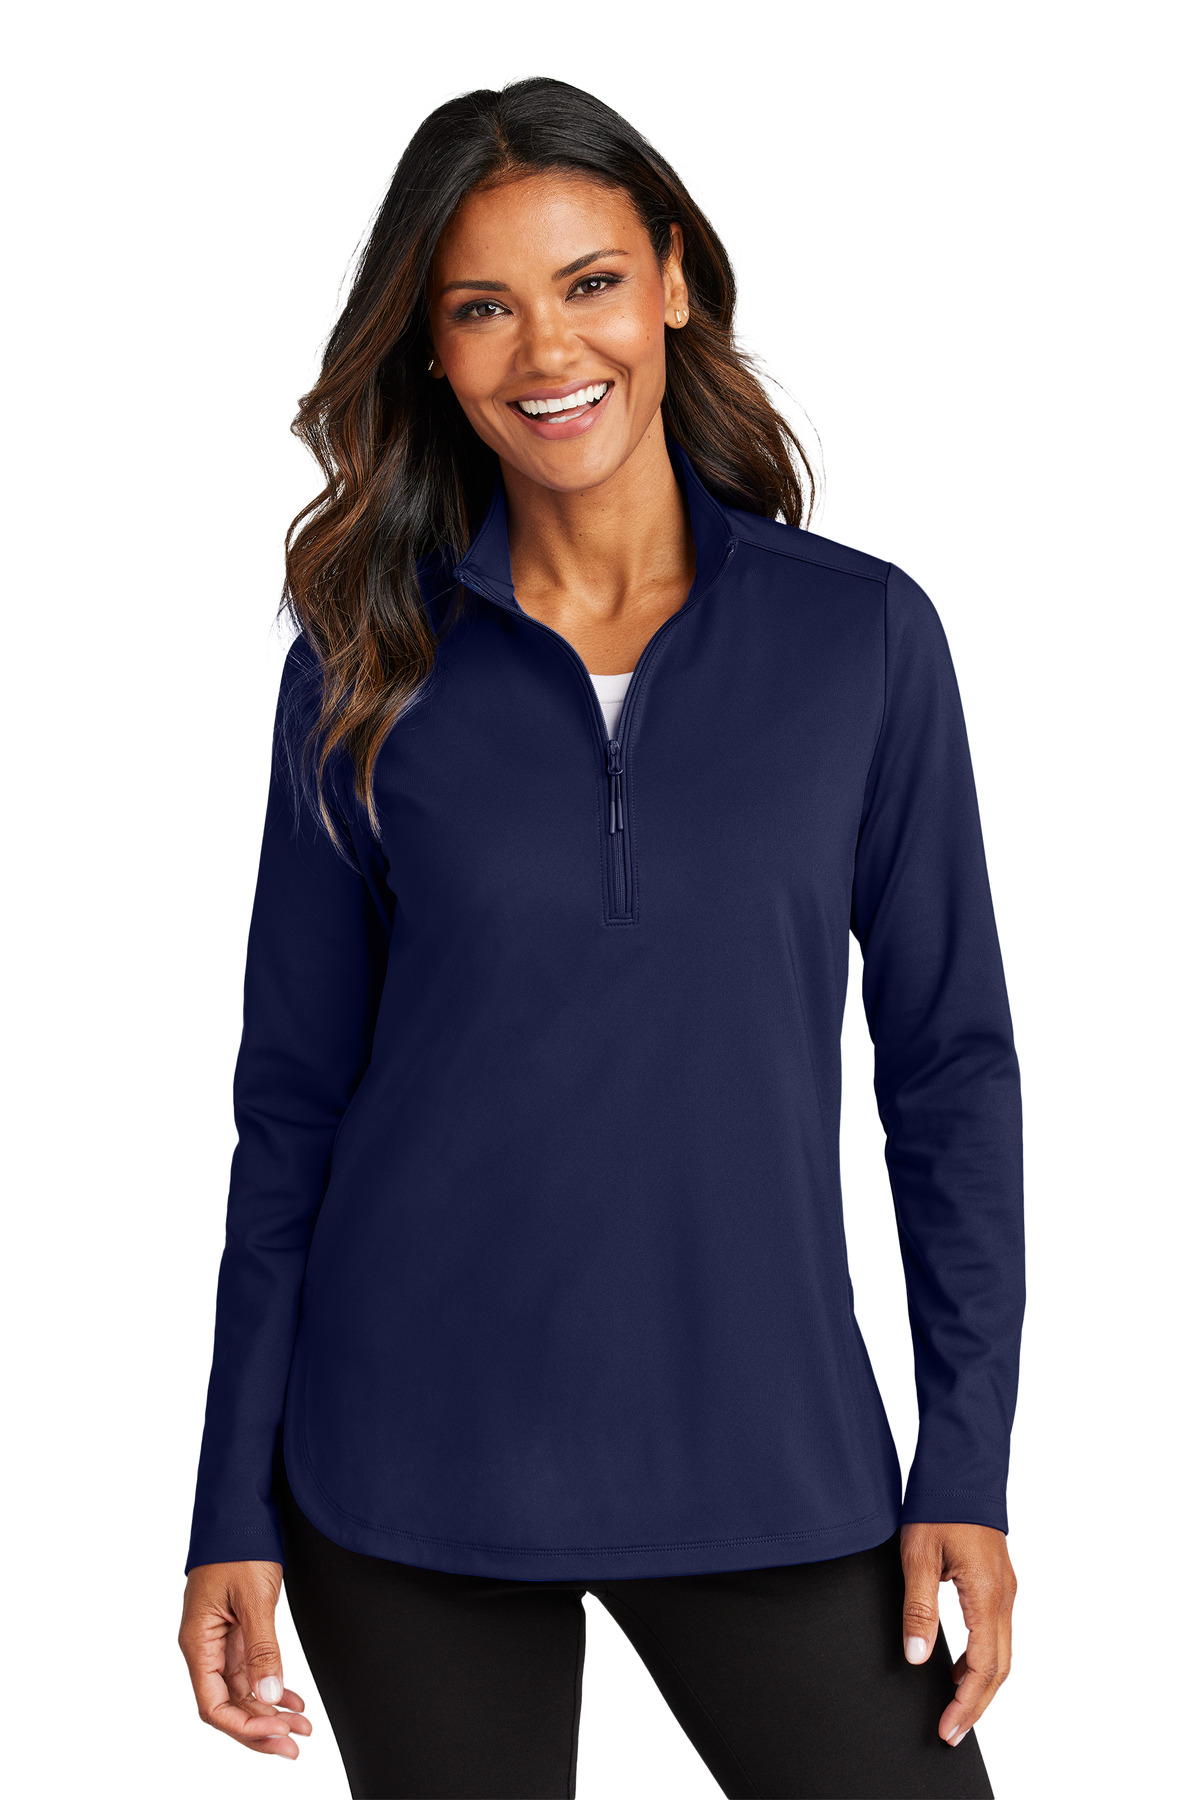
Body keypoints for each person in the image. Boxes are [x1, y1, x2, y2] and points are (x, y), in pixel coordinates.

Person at [178, 76, 1023, 1800]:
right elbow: (292, 1106)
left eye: (589, 284)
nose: (547, 349)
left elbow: (950, 1073)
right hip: (403, 1460)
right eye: (482, 306)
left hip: (762, 1447)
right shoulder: (363, 664)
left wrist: (967, 1459)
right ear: (430, 350)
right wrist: (225, 1506)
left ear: (674, 282)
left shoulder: (860, 642)